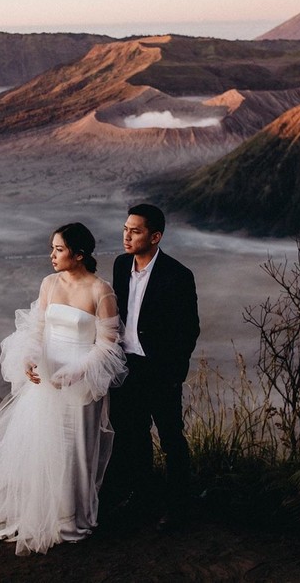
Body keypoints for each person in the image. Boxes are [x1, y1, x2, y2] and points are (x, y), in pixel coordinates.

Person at [0, 222, 127, 556]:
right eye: (52, 248)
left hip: (81, 382)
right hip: (46, 382)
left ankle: (72, 520)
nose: (51, 255)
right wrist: (29, 359)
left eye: (59, 249)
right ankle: (43, 513)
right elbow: (36, 330)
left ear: (79, 254)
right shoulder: (49, 284)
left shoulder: (100, 290)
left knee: (77, 451)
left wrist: (76, 372)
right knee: (45, 447)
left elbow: (109, 346)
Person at [106, 203, 200, 533]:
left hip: (160, 371)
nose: (127, 236)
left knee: (172, 439)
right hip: (126, 367)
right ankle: (143, 496)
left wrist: (174, 374)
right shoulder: (120, 265)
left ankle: (178, 507)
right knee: (133, 437)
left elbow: (189, 330)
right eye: (125, 228)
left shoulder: (178, 275)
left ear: (155, 236)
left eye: (136, 231)